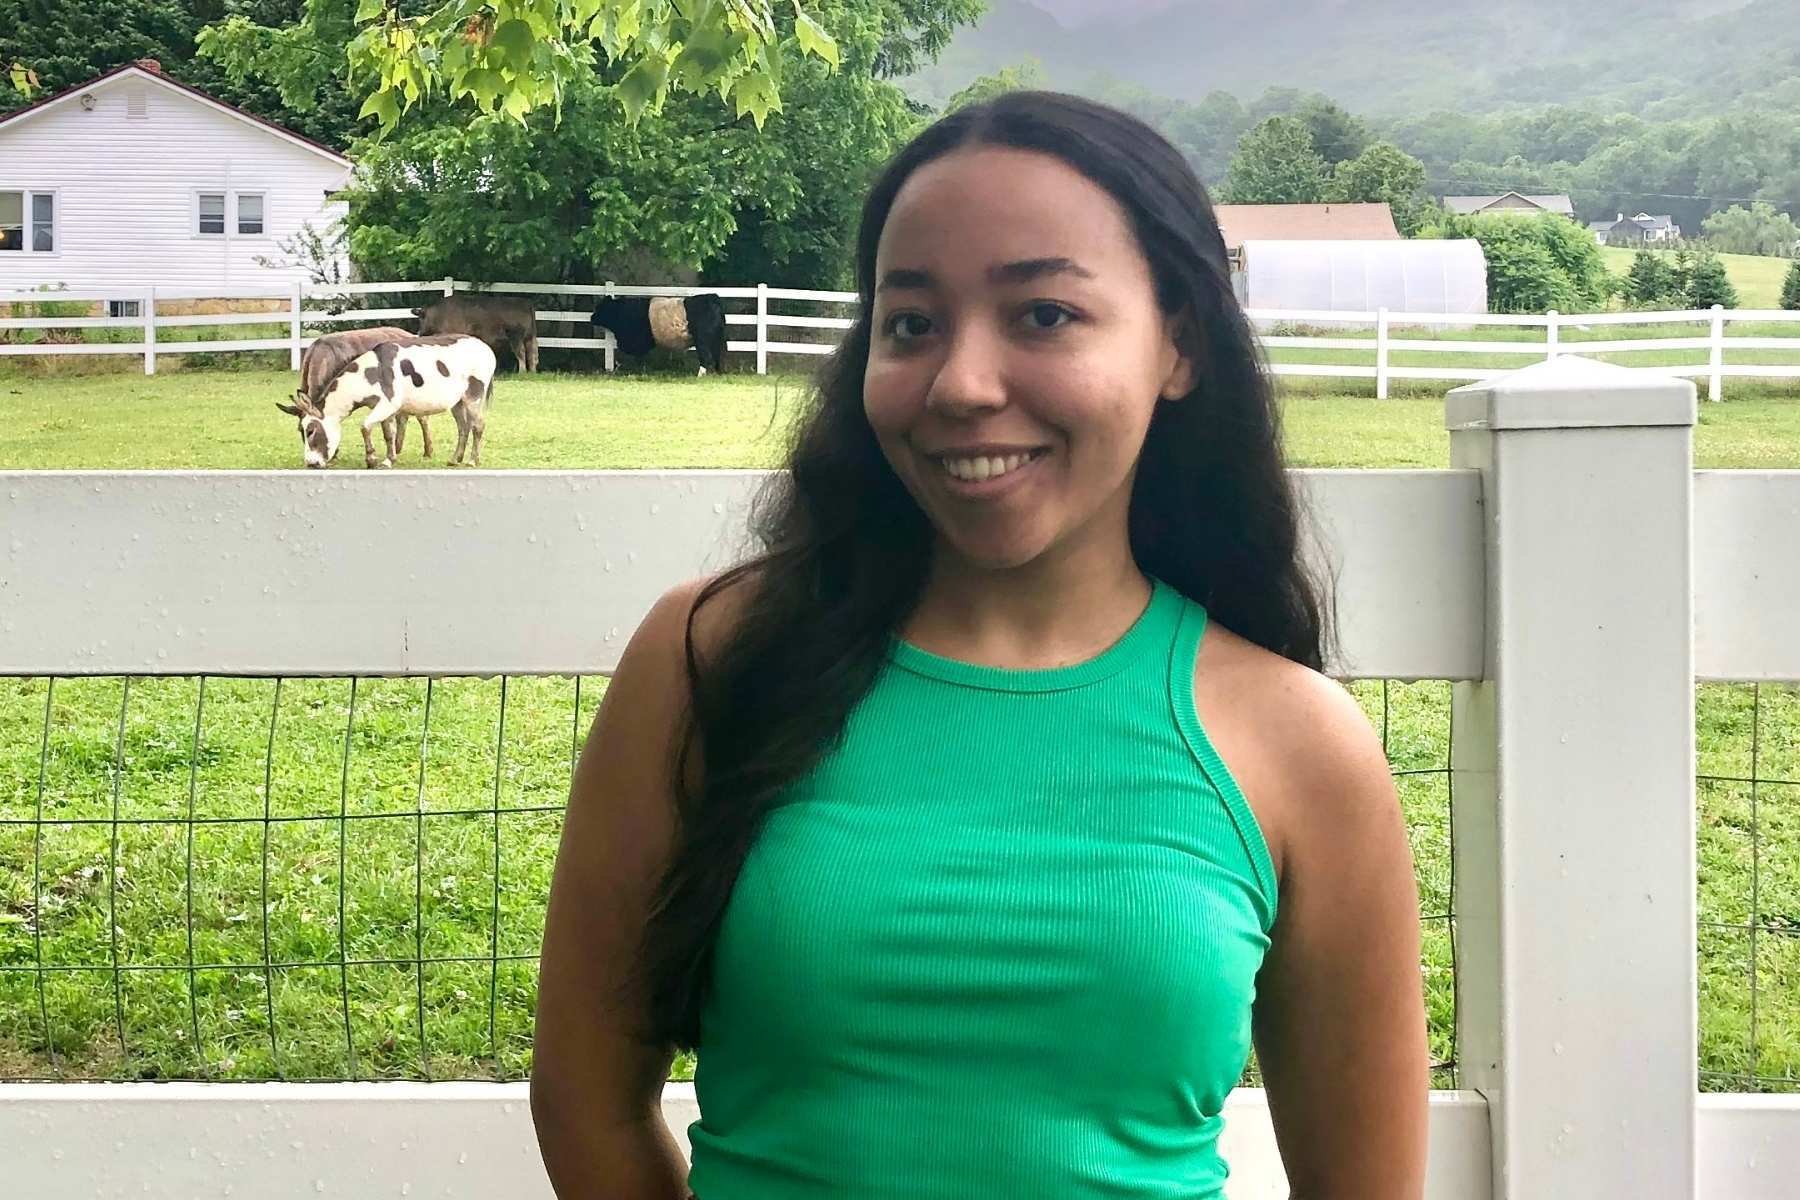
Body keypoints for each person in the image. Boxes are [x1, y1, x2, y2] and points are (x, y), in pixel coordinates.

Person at [531, 91, 1428, 1199]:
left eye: (1044, 313)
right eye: (911, 323)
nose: (961, 384)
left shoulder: (1299, 744)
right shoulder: (712, 658)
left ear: (1179, 344)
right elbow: (585, 1101)